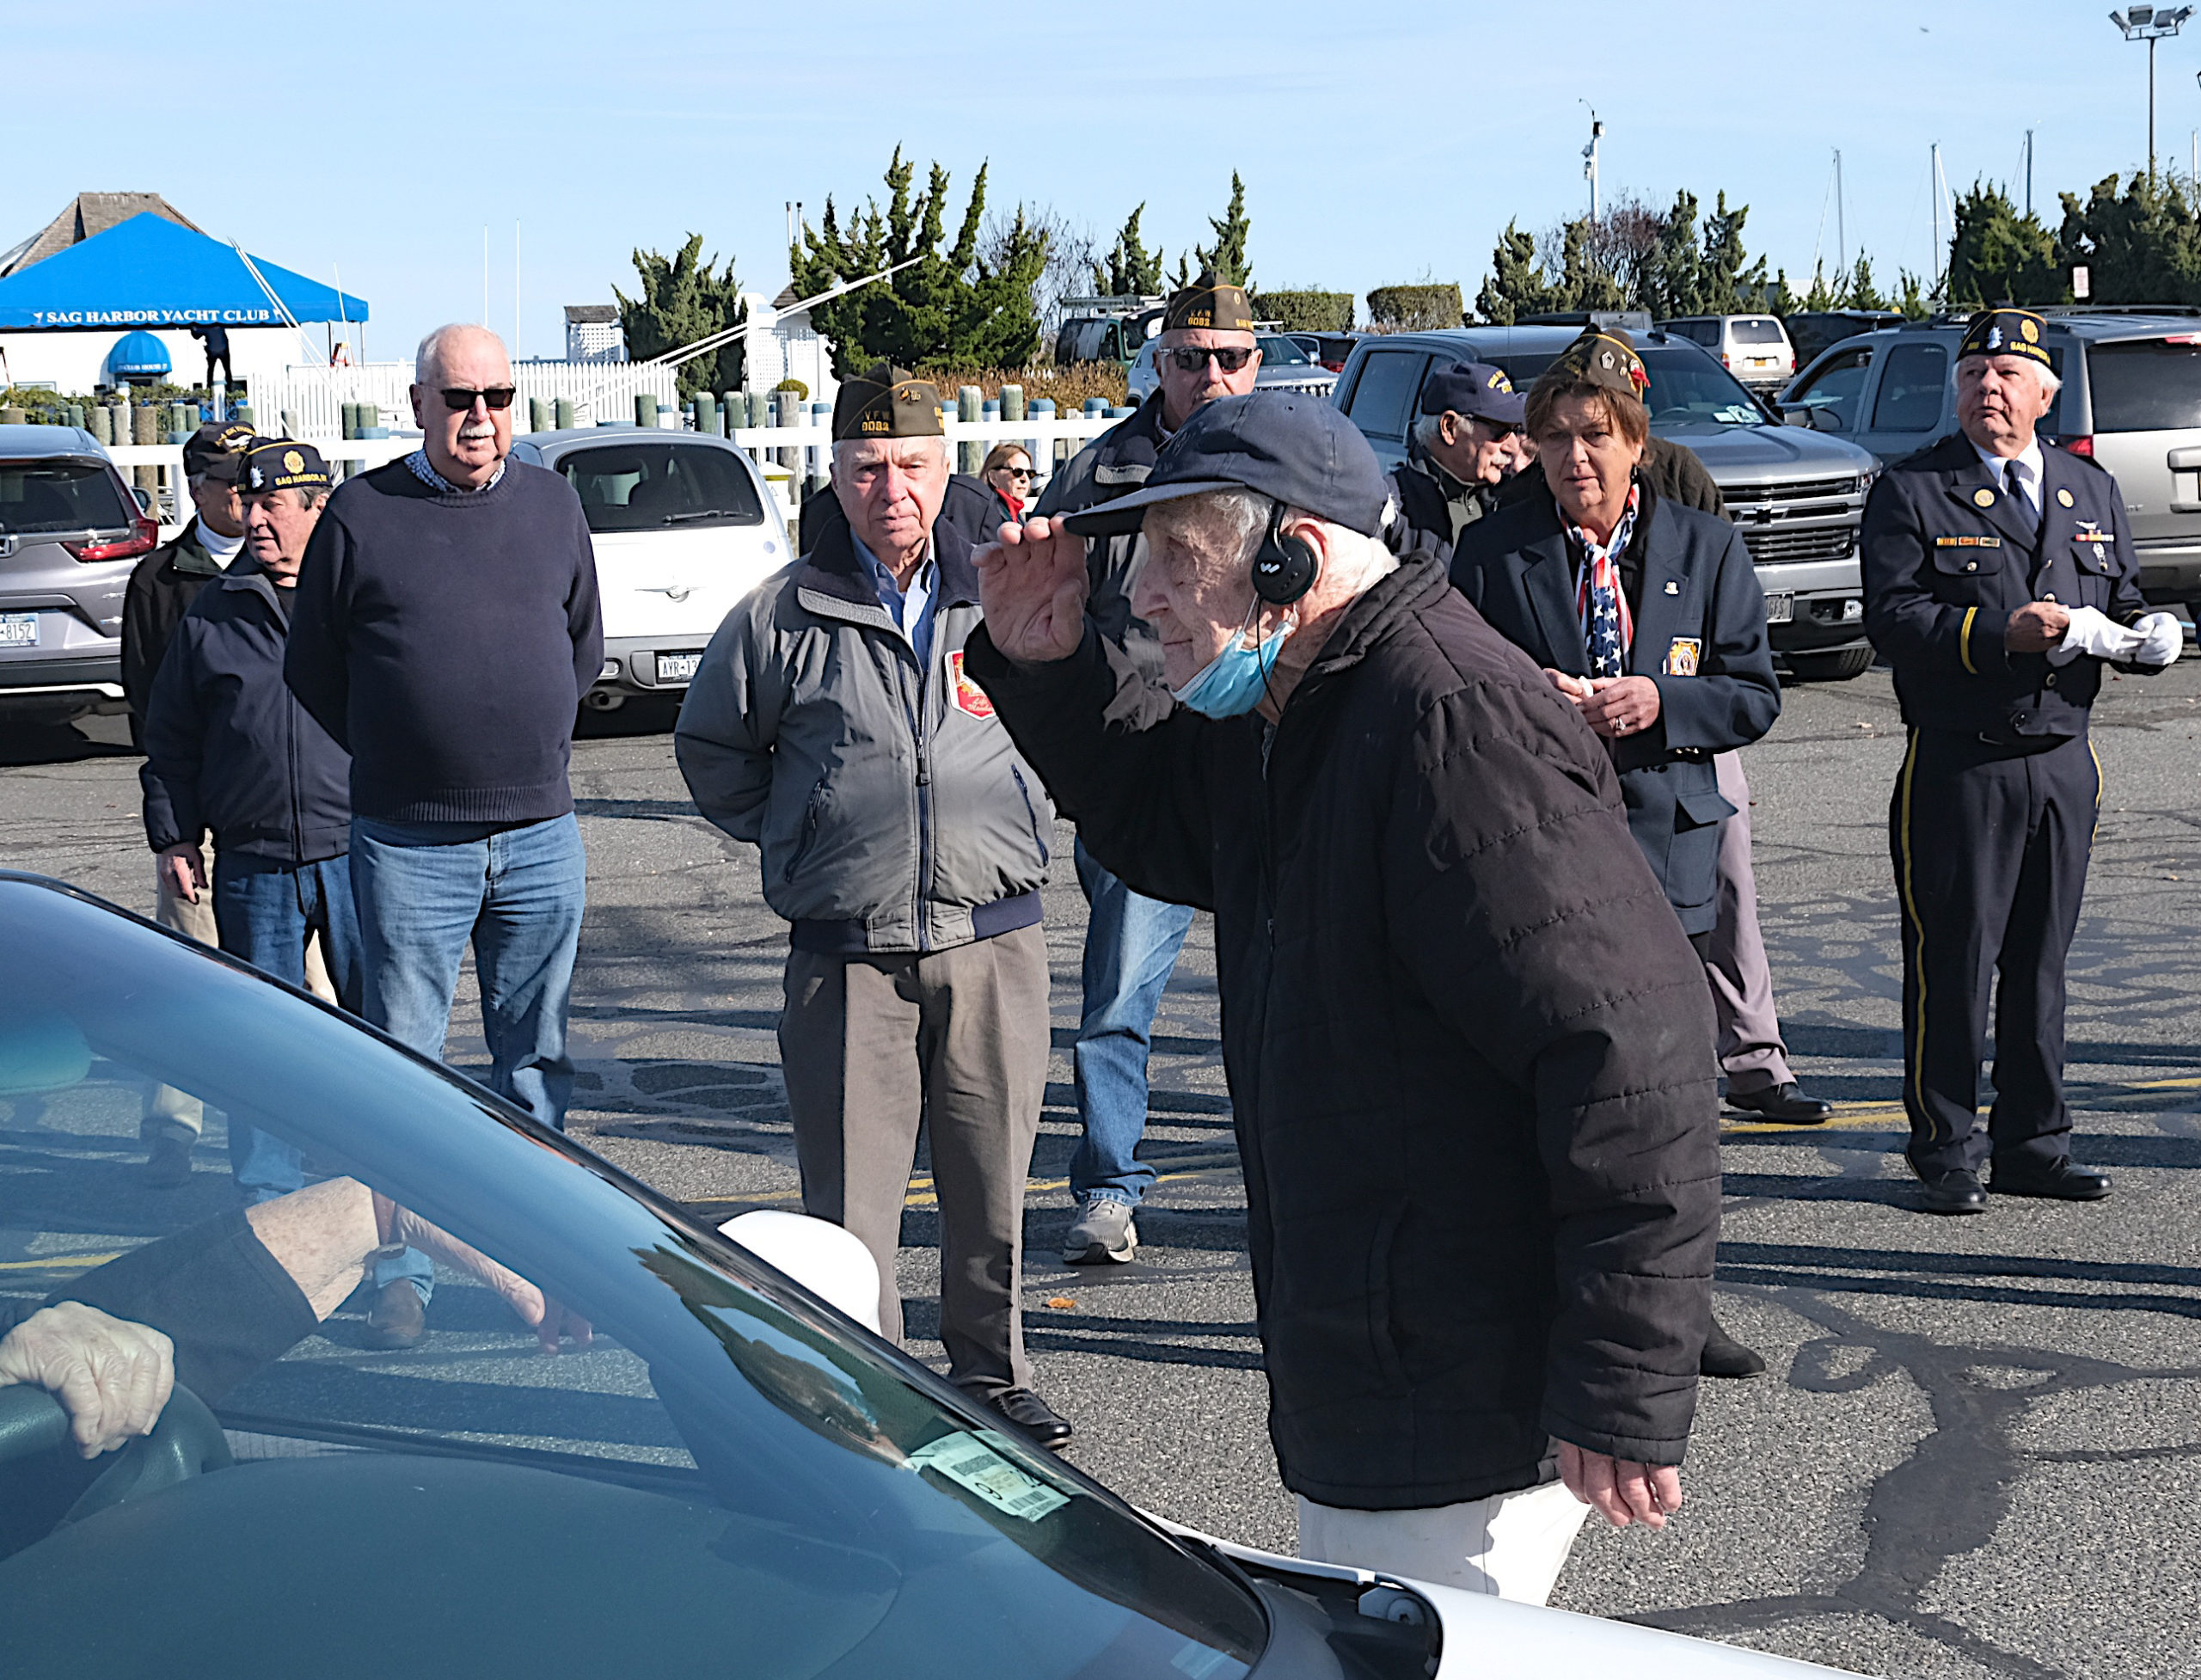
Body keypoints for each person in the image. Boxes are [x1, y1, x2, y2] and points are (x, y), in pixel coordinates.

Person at [967, 391, 1720, 1604]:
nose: (1143, 594)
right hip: (1378, 1367)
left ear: (1292, 558)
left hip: (1460, 1395)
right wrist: (1047, 667)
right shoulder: (1297, 703)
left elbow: (1631, 1048)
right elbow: (1171, 831)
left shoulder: (1446, 724)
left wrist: (1625, 1374)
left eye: (1174, 561)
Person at [674, 364, 1070, 1450]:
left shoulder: (1001, 596)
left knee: (991, 1180)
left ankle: (990, 1377)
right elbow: (714, 750)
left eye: (909, 465)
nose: (889, 487)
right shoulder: (781, 613)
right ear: (835, 478)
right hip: (848, 954)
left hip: (993, 936)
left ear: (945, 473)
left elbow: (1076, 714)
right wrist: (807, 831)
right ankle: (874, 1396)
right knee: (850, 1208)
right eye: (866, 468)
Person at [1453, 328, 1781, 1380]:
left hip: (1669, 852)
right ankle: (1544, 1301)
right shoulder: (1491, 554)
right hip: (1542, 857)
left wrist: (1660, 701)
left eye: (1594, 435)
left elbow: (1752, 691)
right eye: (1553, 437)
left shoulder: (1701, 545)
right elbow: (1450, 692)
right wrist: (1528, 704)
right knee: (1543, 1093)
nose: (1573, 457)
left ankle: (1675, 1310)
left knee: (1672, 1099)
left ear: (1635, 442)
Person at [285, 323, 602, 1342]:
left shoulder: (553, 503)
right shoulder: (360, 514)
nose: (480, 417)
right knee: (408, 1067)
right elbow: (315, 672)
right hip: (410, 843)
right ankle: (405, 1274)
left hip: (541, 837)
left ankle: (543, 1272)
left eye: (498, 396)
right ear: (417, 404)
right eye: (458, 398)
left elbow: (583, 649)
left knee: (534, 1064)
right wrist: (407, 754)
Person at [1861, 308, 2181, 1214]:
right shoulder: (1914, 490)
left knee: (2041, 962)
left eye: (2006, 376)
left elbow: (2118, 593)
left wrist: (2148, 632)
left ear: (2044, 392)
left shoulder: (2088, 487)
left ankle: (2033, 1142)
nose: (1986, 390)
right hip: (1962, 759)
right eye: (1972, 376)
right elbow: (1893, 621)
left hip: (2063, 757)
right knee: (1954, 958)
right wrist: (1995, 632)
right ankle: (1945, 1145)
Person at [1031, 273, 1261, 1266]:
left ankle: (1297, 1177)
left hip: (1265, 765)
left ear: (1257, 367)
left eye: (1230, 360)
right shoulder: (1098, 480)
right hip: (1145, 772)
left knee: (1291, 989)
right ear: (1157, 363)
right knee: (1119, 992)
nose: (1209, 377)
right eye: (1189, 359)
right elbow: (1043, 623)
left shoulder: (1285, 469)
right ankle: (1108, 1186)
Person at [139, 440, 377, 1225]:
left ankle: (391, 1241)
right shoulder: (214, 611)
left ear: (318, 510)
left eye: (273, 505)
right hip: (252, 864)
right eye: (250, 504)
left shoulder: (359, 601)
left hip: (361, 854)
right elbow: (171, 736)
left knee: (383, 1047)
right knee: (261, 1045)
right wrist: (176, 837)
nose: (256, 521)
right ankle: (267, 1212)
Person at [120, 420, 257, 1185]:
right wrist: (177, 823)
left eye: (251, 480)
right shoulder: (161, 579)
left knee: (311, 985)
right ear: (197, 488)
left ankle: (309, 1126)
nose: (245, 496)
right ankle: (172, 1132)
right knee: (190, 976)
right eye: (231, 483)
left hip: (280, 812)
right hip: (198, 809)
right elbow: (148, 702)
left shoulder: (293, 563)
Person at [1388, 360, 1524, 551]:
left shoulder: (1511, 501)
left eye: (1516, 430)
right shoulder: (1391, 513)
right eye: (1500, 431)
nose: (1513, 447)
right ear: (1449, 428)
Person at [980, 443, 1035, 525]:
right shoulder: (987, 517)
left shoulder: (1015, 516)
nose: (1025, 479)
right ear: (993, 477)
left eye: (1030, 473)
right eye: (1017, 472)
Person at [187, 323, 233, 389]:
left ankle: (209, 386)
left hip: (213, 351)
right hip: (222, 349)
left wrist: (192, 327)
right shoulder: (218, 325)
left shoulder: (206, 327)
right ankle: (229, 385)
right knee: (226, 369)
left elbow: (196, 335)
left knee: (211, 369)